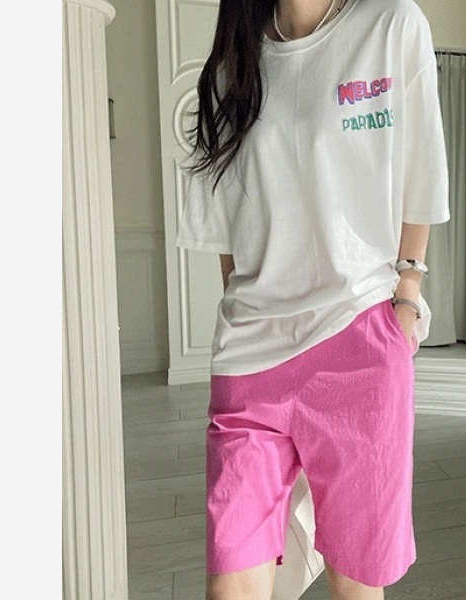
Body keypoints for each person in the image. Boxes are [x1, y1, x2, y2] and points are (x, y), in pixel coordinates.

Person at [175, 0, 450, 598]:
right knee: (230, 585)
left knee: (355, 584)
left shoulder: (390, 26)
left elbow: (423, 170)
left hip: (359, 346)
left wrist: (407, 294)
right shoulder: (231, 67)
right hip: (251, 360)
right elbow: (227, 231)